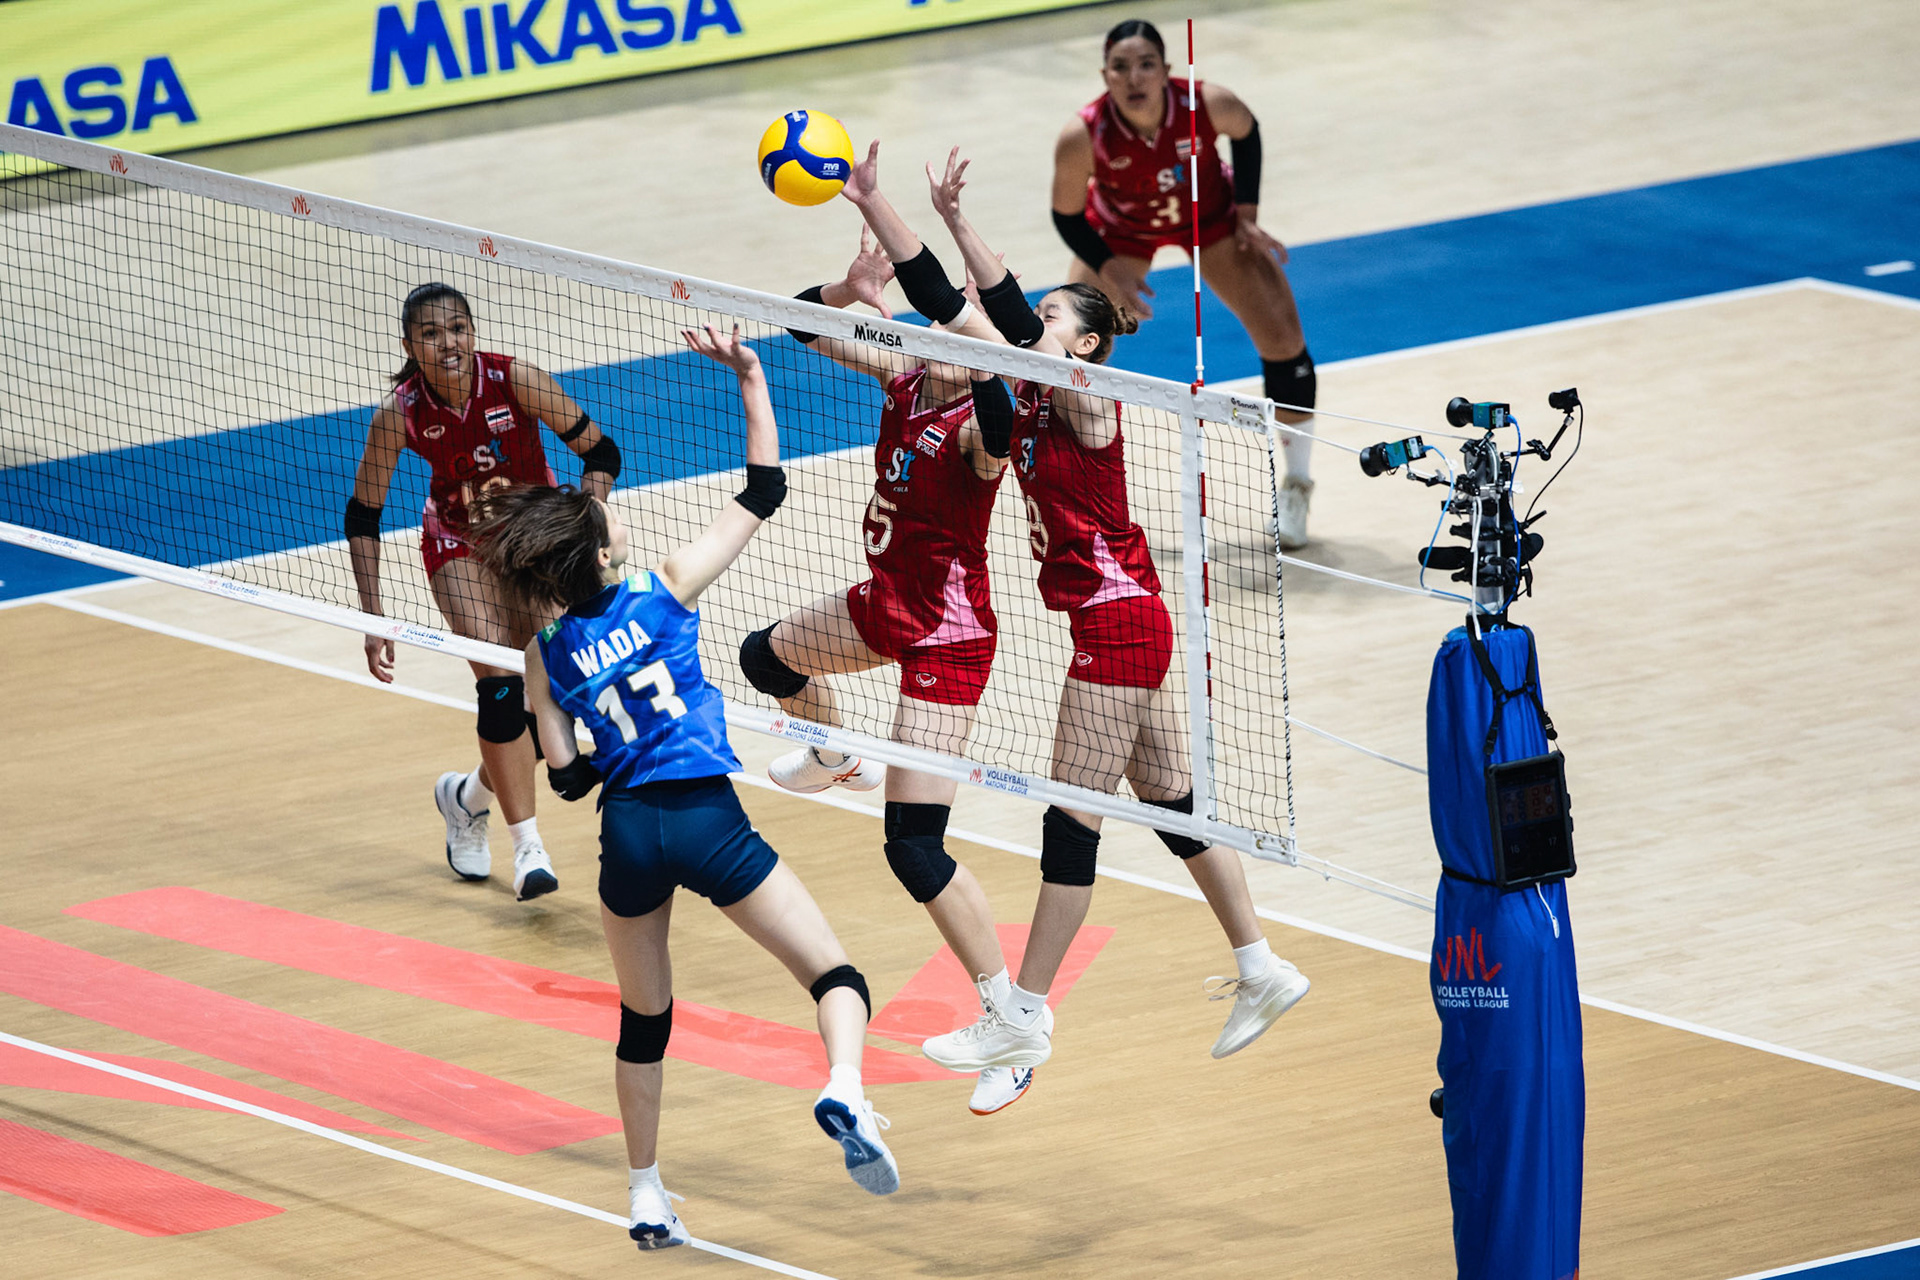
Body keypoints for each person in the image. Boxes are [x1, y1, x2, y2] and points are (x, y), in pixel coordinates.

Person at [881, 143, 1311, 1113]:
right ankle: (1260, 962)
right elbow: (966, 302)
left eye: (1047, 320)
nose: (1027, 325)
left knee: (1070, 822)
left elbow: (1017, 320)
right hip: (1121, 621)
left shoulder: (1089, 399)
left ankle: (1022, 1016)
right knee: (1171, 796)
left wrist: (996, 276)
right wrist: (930, 214)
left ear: (1082, 344)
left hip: (1119, 624)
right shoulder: (1029, 386)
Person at [471, 324, 899, 1249]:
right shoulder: (664, 594)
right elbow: (764, 490)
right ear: (601, 551)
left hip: (628, 835)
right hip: (708, 817)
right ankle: (845, 1088)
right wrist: (750, 379)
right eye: (612, 516)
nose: (621, 515)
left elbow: (572, 777)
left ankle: (645, 1194)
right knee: (836, 975)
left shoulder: (546, 657)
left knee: (644, 1022)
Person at [737, 213, 1047, 1074]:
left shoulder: (984, 431)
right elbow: (803, 319)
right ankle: (834, 752)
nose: (931, 341)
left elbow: (998, 410)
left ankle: (1008, 1016)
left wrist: (982, 345)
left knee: (913, 846)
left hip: (948, 636)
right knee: (766, 657)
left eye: (950, 332)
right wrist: (851, 292)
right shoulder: (910, 378)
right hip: (885, 602)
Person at [345, 282, 622, 902]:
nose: (448, 343)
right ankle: (528, 850)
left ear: (474, 332)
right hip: (458, 543)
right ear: (410, 346)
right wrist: (374, 617)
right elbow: (363, 513)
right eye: (431, 334)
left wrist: (584, 521)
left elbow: (601, 451)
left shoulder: (516, 379)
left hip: (534, 537)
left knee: (555, 685)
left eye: (458, 329)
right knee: (501, 683)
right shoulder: (400, 413)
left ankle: (465, 798)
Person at [1051, 18, 1318, 547]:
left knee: (1285, 341)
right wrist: (1109, 268)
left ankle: (1297, 483)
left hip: (1211, 222)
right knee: (1061, 349)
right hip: (1121, 234)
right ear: (1104, 75)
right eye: (1121, 67)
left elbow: (1247, 132)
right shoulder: (1082, 134)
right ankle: (1069, 492)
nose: (1134, 77)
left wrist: (1247, 211)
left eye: (1146, 64)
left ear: (1166, 70)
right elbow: (1067, 216)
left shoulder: (1208, 103)